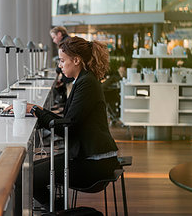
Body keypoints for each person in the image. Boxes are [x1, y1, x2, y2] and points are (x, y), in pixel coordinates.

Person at [7, 36, 119, 208]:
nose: (59, 65)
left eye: (62, 60)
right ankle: (57, 209)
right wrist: (36, 109)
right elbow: (69, 122)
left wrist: (35, 111)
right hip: (88, 158)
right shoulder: (83, 80)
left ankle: (57, 210)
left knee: (23, 177)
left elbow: (68, 127)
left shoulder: (86, 83)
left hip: (95, 164)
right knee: (24, 173)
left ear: (76, 60)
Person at [49, 26, 74, 105]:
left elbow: (66, 61)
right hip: (70, 78)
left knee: (71, 101)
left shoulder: (65, 44)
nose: (53, 40)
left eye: (54, 37)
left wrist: (57, 71)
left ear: (59, 34)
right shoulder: (68, 41)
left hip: (71, 79)